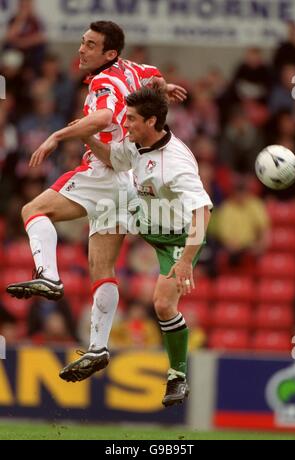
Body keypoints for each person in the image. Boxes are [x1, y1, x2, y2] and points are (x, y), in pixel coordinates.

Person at [6, 21, 186, 371]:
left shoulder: (105, 82)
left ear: (109, 53)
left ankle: (49, 275)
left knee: (33, 209)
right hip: (128, 180)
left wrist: (57, 136)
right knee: (102, 269)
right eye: (82, 42)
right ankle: (98, 348)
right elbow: (154, 77)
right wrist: (165, 87)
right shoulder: (133, 68)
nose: (81, 49)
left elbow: (102, 116)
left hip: (104, 171)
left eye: (90, 44)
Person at [59, 88, 212, 407]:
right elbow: (113, 159)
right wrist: (88, 138)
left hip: (177, 236)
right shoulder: (136, 143)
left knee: (163, 305)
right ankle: (97, 346)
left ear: (151, 121)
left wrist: (185, 261)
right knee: (105, 202)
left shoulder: (176, 163)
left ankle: (177, 378)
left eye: (130, 118)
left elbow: (203, 210)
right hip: (144, 216)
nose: (123, 123)